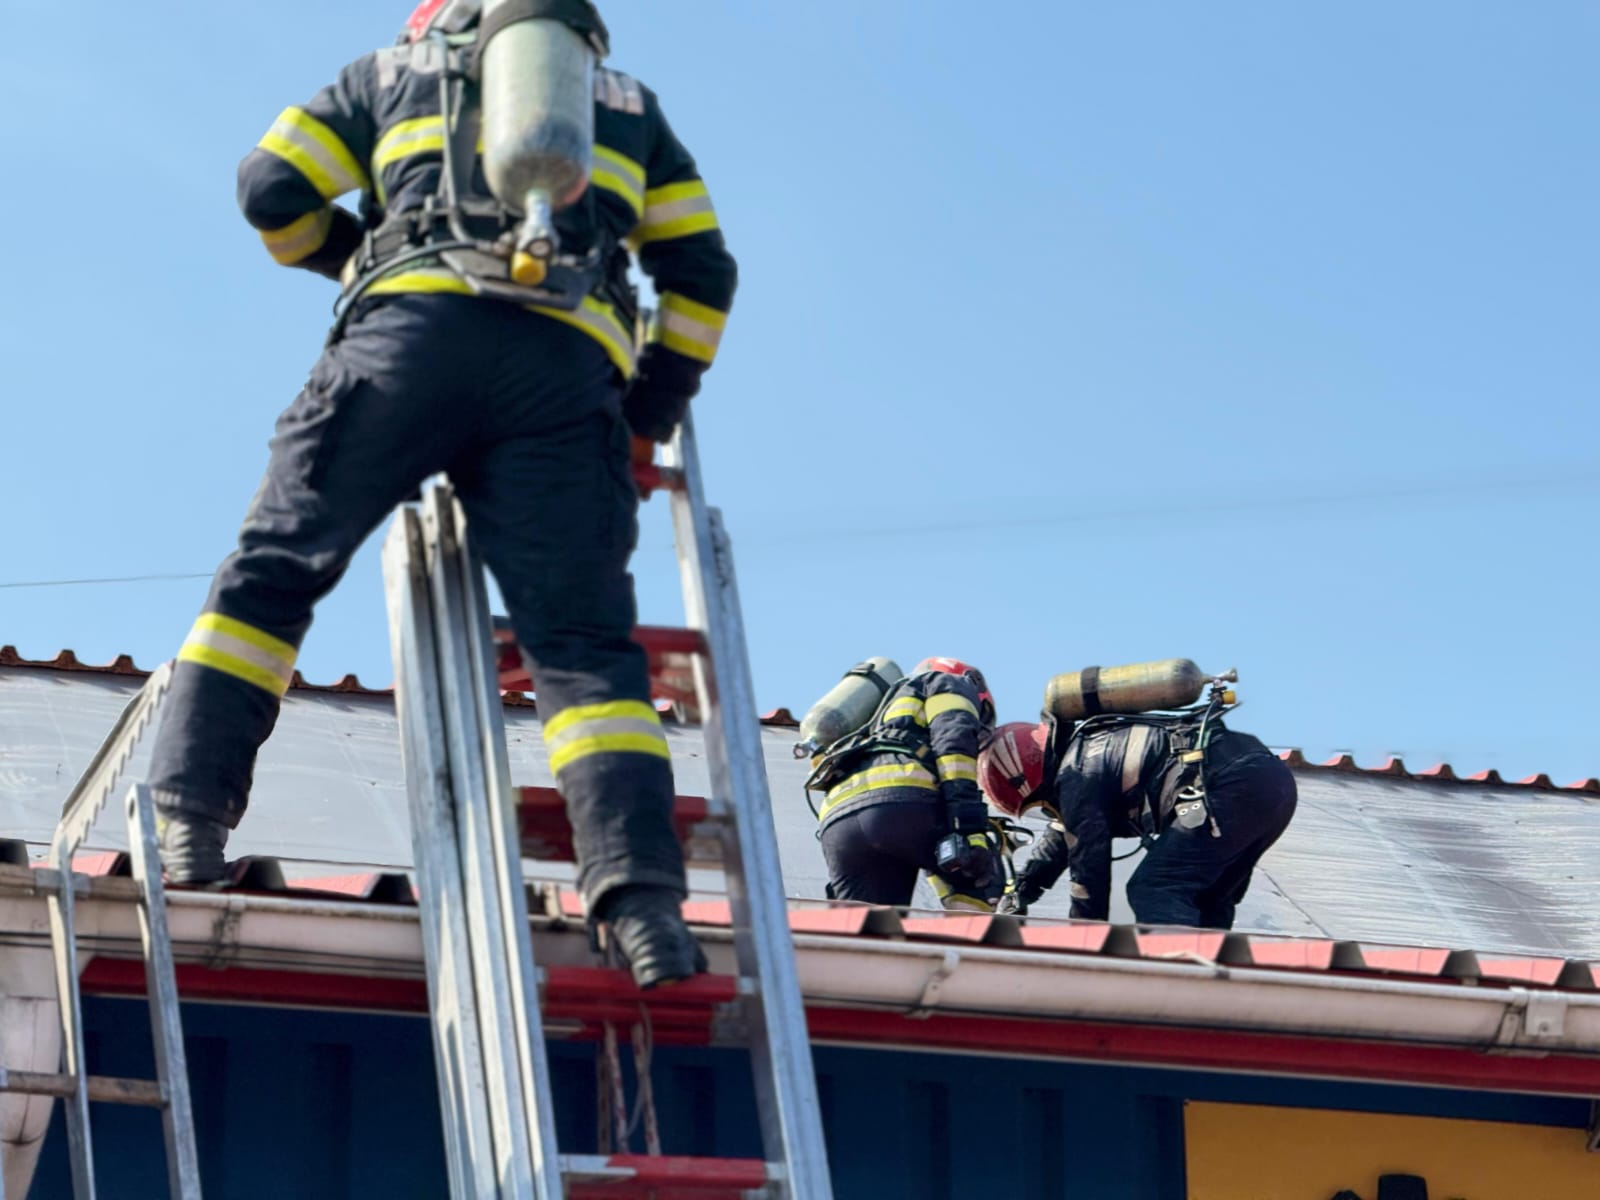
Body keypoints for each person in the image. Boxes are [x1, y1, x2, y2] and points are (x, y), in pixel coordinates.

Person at [146, 0, 736, 989]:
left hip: (407, 344)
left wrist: (356, 254)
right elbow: (703, 273)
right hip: (562, 372)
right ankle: (643, 908)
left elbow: (269, 187)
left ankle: (190, 825)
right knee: (583, 649)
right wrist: (647, 410)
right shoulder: (627, 106)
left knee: (272, 575)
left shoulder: (385, 75)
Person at [978, 711, 1296, 928]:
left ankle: (1180, 980)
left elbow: (1088, 870)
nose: (1050, 813)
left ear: (1025, 776)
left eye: (1040, 806)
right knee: (1208, 898)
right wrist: (1020, 891)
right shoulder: (1089, 748)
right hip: (1271, 782)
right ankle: (1213, 985)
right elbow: (1059, 839)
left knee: (1156, 887)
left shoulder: (1076, 773)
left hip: (1229, 785)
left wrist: (1085, 942)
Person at [811, 658, 1002, 910]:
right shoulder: (948, 682)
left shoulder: (876, 714)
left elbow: (939, 855)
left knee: (874, 926)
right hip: (900, 803)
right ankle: (969, 935)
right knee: (979, 871)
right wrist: (968, 827)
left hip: (839, 824)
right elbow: (954, 743)